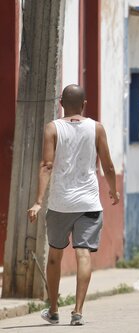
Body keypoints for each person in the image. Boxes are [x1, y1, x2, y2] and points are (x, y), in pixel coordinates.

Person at [27, 84, 119, 326]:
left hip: (60, 203)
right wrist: (113, 189)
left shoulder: (53, 128)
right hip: (89, 202)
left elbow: (46, 165)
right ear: (84, 104)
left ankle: (54, 309)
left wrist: (38, 202)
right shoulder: (96, 128)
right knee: (83, 254)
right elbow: (108, 165)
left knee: (55, 256)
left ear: (61, 104)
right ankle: (78, 311)